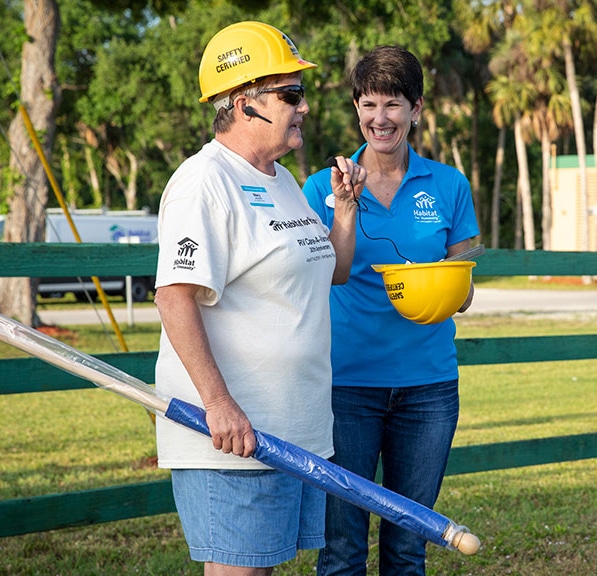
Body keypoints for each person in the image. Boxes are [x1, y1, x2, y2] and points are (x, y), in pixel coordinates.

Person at [153, 21, 366, 576]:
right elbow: (175, 297)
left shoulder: (284, 180)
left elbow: (334, 273)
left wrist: (344, 210)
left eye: (303, 95)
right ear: (243, 104)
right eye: (291, 95)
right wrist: (217, 404)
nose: (304, 108)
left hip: (293, 432)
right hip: (233, 438)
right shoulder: (204, 181)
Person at [302, 45, 480, 576]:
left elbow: (466, 283)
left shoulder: (449, 185)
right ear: (357, 108)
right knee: (342, 549)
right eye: (369, 104)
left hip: (428, 388)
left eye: (393, 104)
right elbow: (328, 271)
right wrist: (347, 207)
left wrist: (442, 288)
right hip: (347, 387)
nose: (380, 119)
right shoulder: (321, 187)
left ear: (416, 109)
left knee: (408, 545)